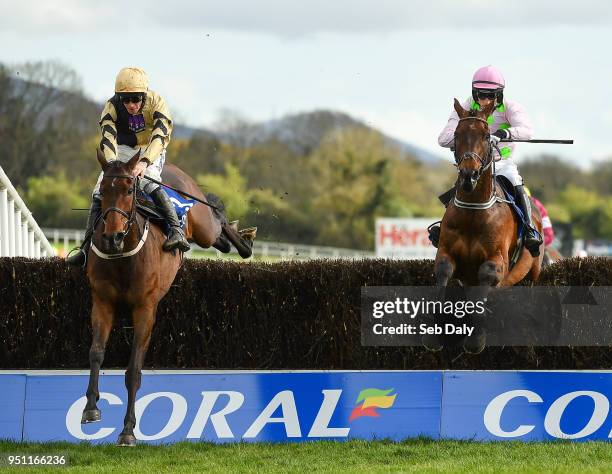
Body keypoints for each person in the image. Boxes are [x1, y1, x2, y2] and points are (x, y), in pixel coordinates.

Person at [66, 67, 190, 267]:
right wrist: (113, 166)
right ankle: (85, 248)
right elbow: (108, 138)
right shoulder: (111, 106)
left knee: (148, 180)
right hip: (122, 148)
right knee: (99, 190)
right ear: (119, 98)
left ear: (144, 95)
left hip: (150, 146)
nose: (131, 105)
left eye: (136, 100)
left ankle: (176, 230)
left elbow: (160, 136)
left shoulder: (157, 103)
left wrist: (144, 162)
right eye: (126, 100)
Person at [428, 65, 543, 257]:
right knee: (459, 186)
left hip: (502, 162)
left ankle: (530, 229)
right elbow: (443, 138)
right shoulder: (465, 107)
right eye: (480, 95)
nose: (484, 100)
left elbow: (527, 131)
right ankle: (445, 228)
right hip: (476, 164)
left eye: (490, 95)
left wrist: (503, 133)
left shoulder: (511, 108)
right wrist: (466, 135)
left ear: (499, 94)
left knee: (516, 183)